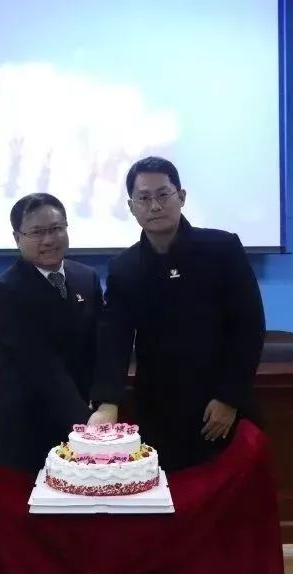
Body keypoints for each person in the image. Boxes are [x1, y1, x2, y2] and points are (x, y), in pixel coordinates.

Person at [88, 156, 265, 471]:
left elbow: (249, 327)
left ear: (181, 197)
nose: (154, 206)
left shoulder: (222, 249)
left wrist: (229, 398)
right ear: (131, 207)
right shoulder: (124, 268)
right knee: (164, 494)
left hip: (218, 405)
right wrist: (107, 401)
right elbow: (114, 338)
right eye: (144, 198)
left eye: (163, 194)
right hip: (159, 407)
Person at [0, 192, 103, 472]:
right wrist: (85, 424)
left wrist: (103, 403)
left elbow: (100, 345)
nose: (49, 239)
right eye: (37, 232)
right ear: (17, 238)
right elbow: (40, 364)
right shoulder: (5, 290)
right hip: (31, 427)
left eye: (56, 228)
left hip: (85, 417)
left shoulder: (87, 278)